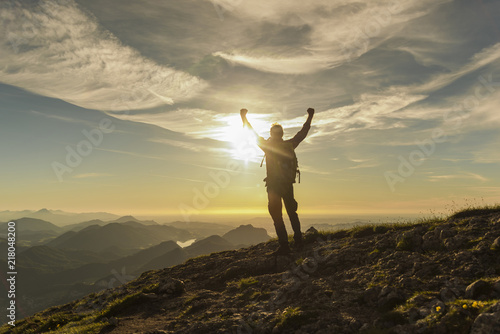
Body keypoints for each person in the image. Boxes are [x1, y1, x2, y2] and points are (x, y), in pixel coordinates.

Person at [240, 107, 314, 255]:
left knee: (277, 216)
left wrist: (243, 117)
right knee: (292, 212)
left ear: (271, 134)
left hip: (273, 186)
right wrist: (310, 116)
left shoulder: (267, 146)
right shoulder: (290, 145)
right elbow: (303, 133)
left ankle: (284, 246)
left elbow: (251, 133)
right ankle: (298, 241)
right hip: (287, 185)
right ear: (282, 134)